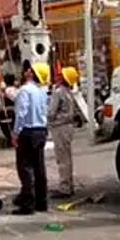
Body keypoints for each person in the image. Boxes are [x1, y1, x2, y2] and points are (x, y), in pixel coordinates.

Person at [11, 60, 50, 214]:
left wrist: (15, 133)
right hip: (41, 131)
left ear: (33, 74)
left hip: (27, 132)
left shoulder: (25, 91)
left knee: (25, 168)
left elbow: (21, 113)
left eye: (29, 70)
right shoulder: (42, 91)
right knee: (40, 168)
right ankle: (42, 202)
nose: (26, 71)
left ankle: (27, 204)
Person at [48, 66, 79, 198]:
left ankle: (65, 188)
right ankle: (69, 185)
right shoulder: (69, 92)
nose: (57, 76)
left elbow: (51, 113)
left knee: (62, 159)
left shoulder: (58, 92)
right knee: (67, 158)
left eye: (61, 75)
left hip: (60, 127)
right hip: (68, 127)